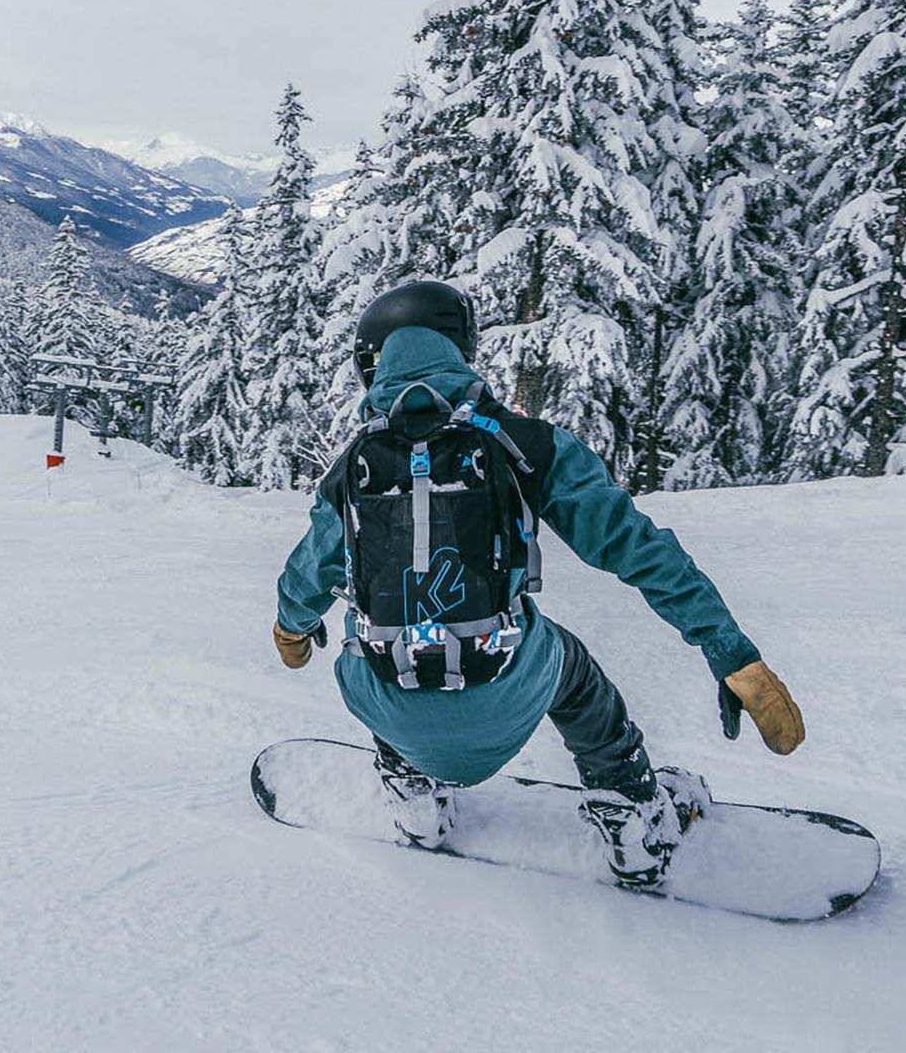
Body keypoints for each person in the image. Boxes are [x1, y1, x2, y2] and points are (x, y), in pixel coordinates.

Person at [271, 281, 804, 886]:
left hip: (387, 702)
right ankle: (631, 819)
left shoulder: (351, 468)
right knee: (571, 668)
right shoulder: (528, 446)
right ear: (458, 349)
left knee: (361, 642)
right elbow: (641, 551)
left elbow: (306, 578)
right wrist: (729, 651)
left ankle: (415, 795)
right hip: (506, 693)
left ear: (372, 365)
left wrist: (291, 628)